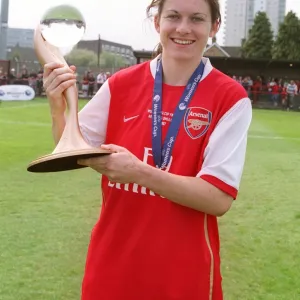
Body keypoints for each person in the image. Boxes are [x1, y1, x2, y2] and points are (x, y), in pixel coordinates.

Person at [42, 0, 252, 299]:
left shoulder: (230, 97)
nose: (183, 28)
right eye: (173, 17)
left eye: (196, 18)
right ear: (157, 23)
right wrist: (57, 107)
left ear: (214, 26)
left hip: (183, 274)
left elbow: (218, 198)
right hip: (111, 267)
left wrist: (139, 172)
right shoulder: (121, 84)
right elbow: (69, 149)